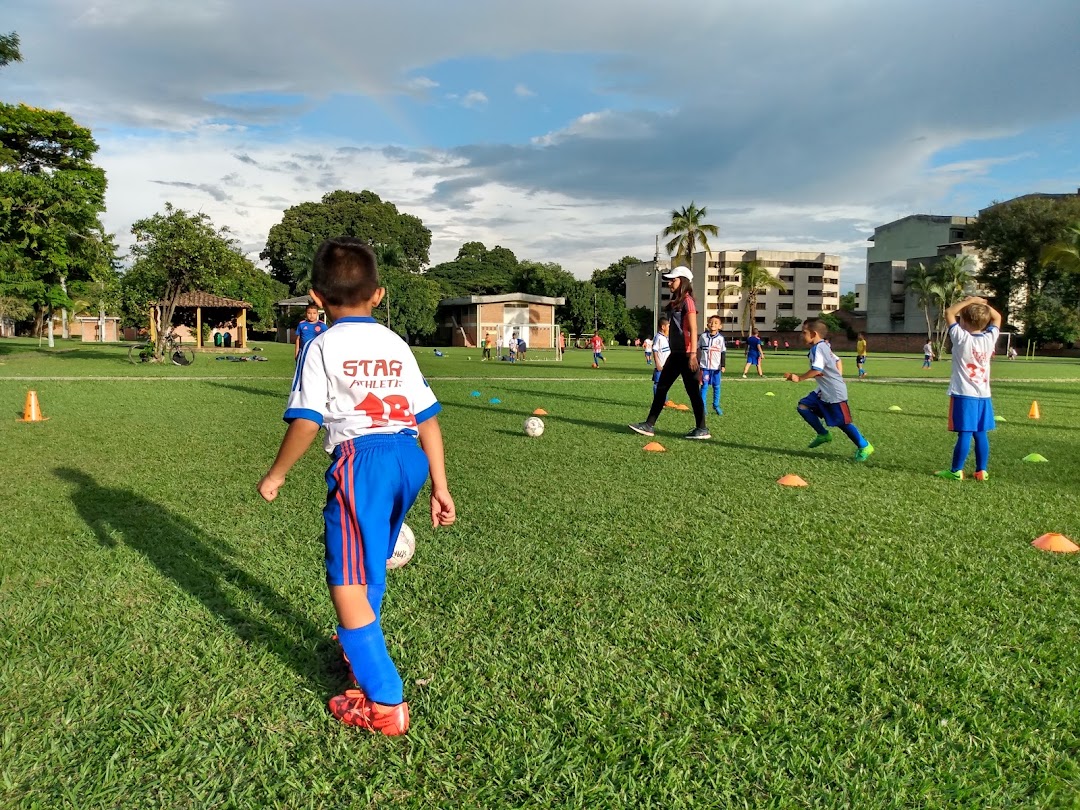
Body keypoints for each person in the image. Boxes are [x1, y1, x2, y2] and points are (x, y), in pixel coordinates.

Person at [257, 237, 455, 736]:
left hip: (360, 462)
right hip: (408, 459)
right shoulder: (395, 344)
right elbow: (428, 419)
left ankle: (385, 702)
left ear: (317, 298)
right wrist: (440, 485)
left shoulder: (321, 344)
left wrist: (276, 474)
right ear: (380, 295)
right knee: (371, 562)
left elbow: (306, 420)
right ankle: (356, 650)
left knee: (343, 578)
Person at [629, 267, 709, 440]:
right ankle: (649, 425)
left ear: (683, 281)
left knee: (693, 392)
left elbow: (694, 328)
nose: (669, 283)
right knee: (662, 388)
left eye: (673, 280)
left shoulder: (688, 302)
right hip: (676, 354)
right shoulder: (676, 303)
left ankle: (702, 429)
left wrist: (693, 355)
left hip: (687, 354)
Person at [784, 319, 874, 462]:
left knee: (842, 422)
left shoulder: (819, 348)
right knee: (803, 406)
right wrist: (832, 373)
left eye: (804, 332)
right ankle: (823, 434)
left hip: (834, 392)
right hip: (823, 390)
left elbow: (817, 369)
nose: (801, 335)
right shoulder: (823, 346)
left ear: (813, 334)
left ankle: (864, 446)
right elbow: (836, 361)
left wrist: (799, 378)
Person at [935, 296, 1001, 481]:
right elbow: (997, 318)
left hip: (964, 394)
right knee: (980, 433)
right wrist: (982, 304)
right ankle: (982, 471)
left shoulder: (961, 337)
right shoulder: (990, 338)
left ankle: (956, 471)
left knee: (964, 433)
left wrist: (969, 301)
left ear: (963, 321)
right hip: (984, 395)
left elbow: (949, 312)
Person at [698, 315, 726, 415]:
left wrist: (723, 365)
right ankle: (702, 407)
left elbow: (723, 352)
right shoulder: (703, 337)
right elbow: (698, 350)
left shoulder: (720, 339)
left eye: (715, 322)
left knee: (716, 386)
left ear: (720, 326)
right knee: (704, 386)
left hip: (716, 368)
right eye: (711, 322)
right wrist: (698, 363)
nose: (713, 324)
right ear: (707, 324)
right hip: (705, 367)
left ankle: (716, 405)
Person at [651, 317, 670, 394]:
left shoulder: (666, 338)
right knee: (658, 383)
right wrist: (657, 364)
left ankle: (664, 401)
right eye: (668, 326)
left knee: (665, 383)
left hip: (667, 365)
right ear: (663, 327)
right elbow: (655, 350)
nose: (669, 328)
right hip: (660, 365)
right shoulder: (658, 337)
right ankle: (657, 401)